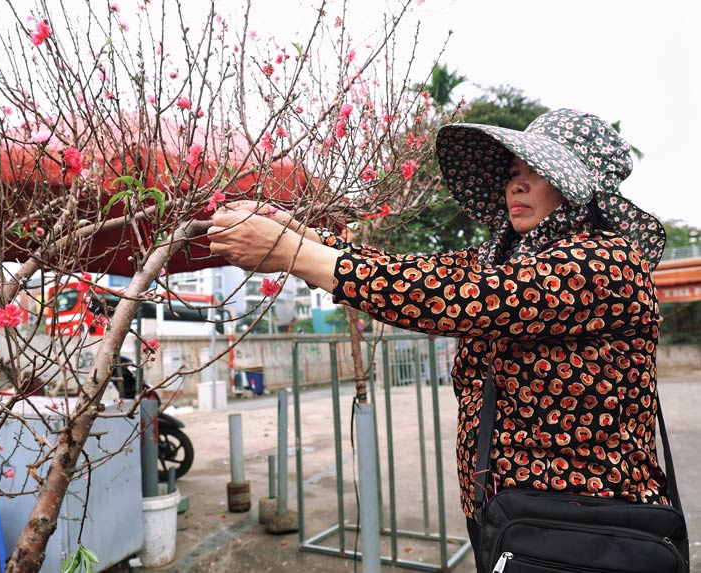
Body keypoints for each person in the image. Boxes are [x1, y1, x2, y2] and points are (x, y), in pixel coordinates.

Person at [208, 109, 671, 571]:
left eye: (538, 172)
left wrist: (294, 253)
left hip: (586, 518)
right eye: (514, 173)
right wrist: (300, 234)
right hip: (513, 512)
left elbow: (457, 299)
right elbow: (421, 272)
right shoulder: (508, 257)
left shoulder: (606, 263)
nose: (517, 184)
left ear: (576, 190)